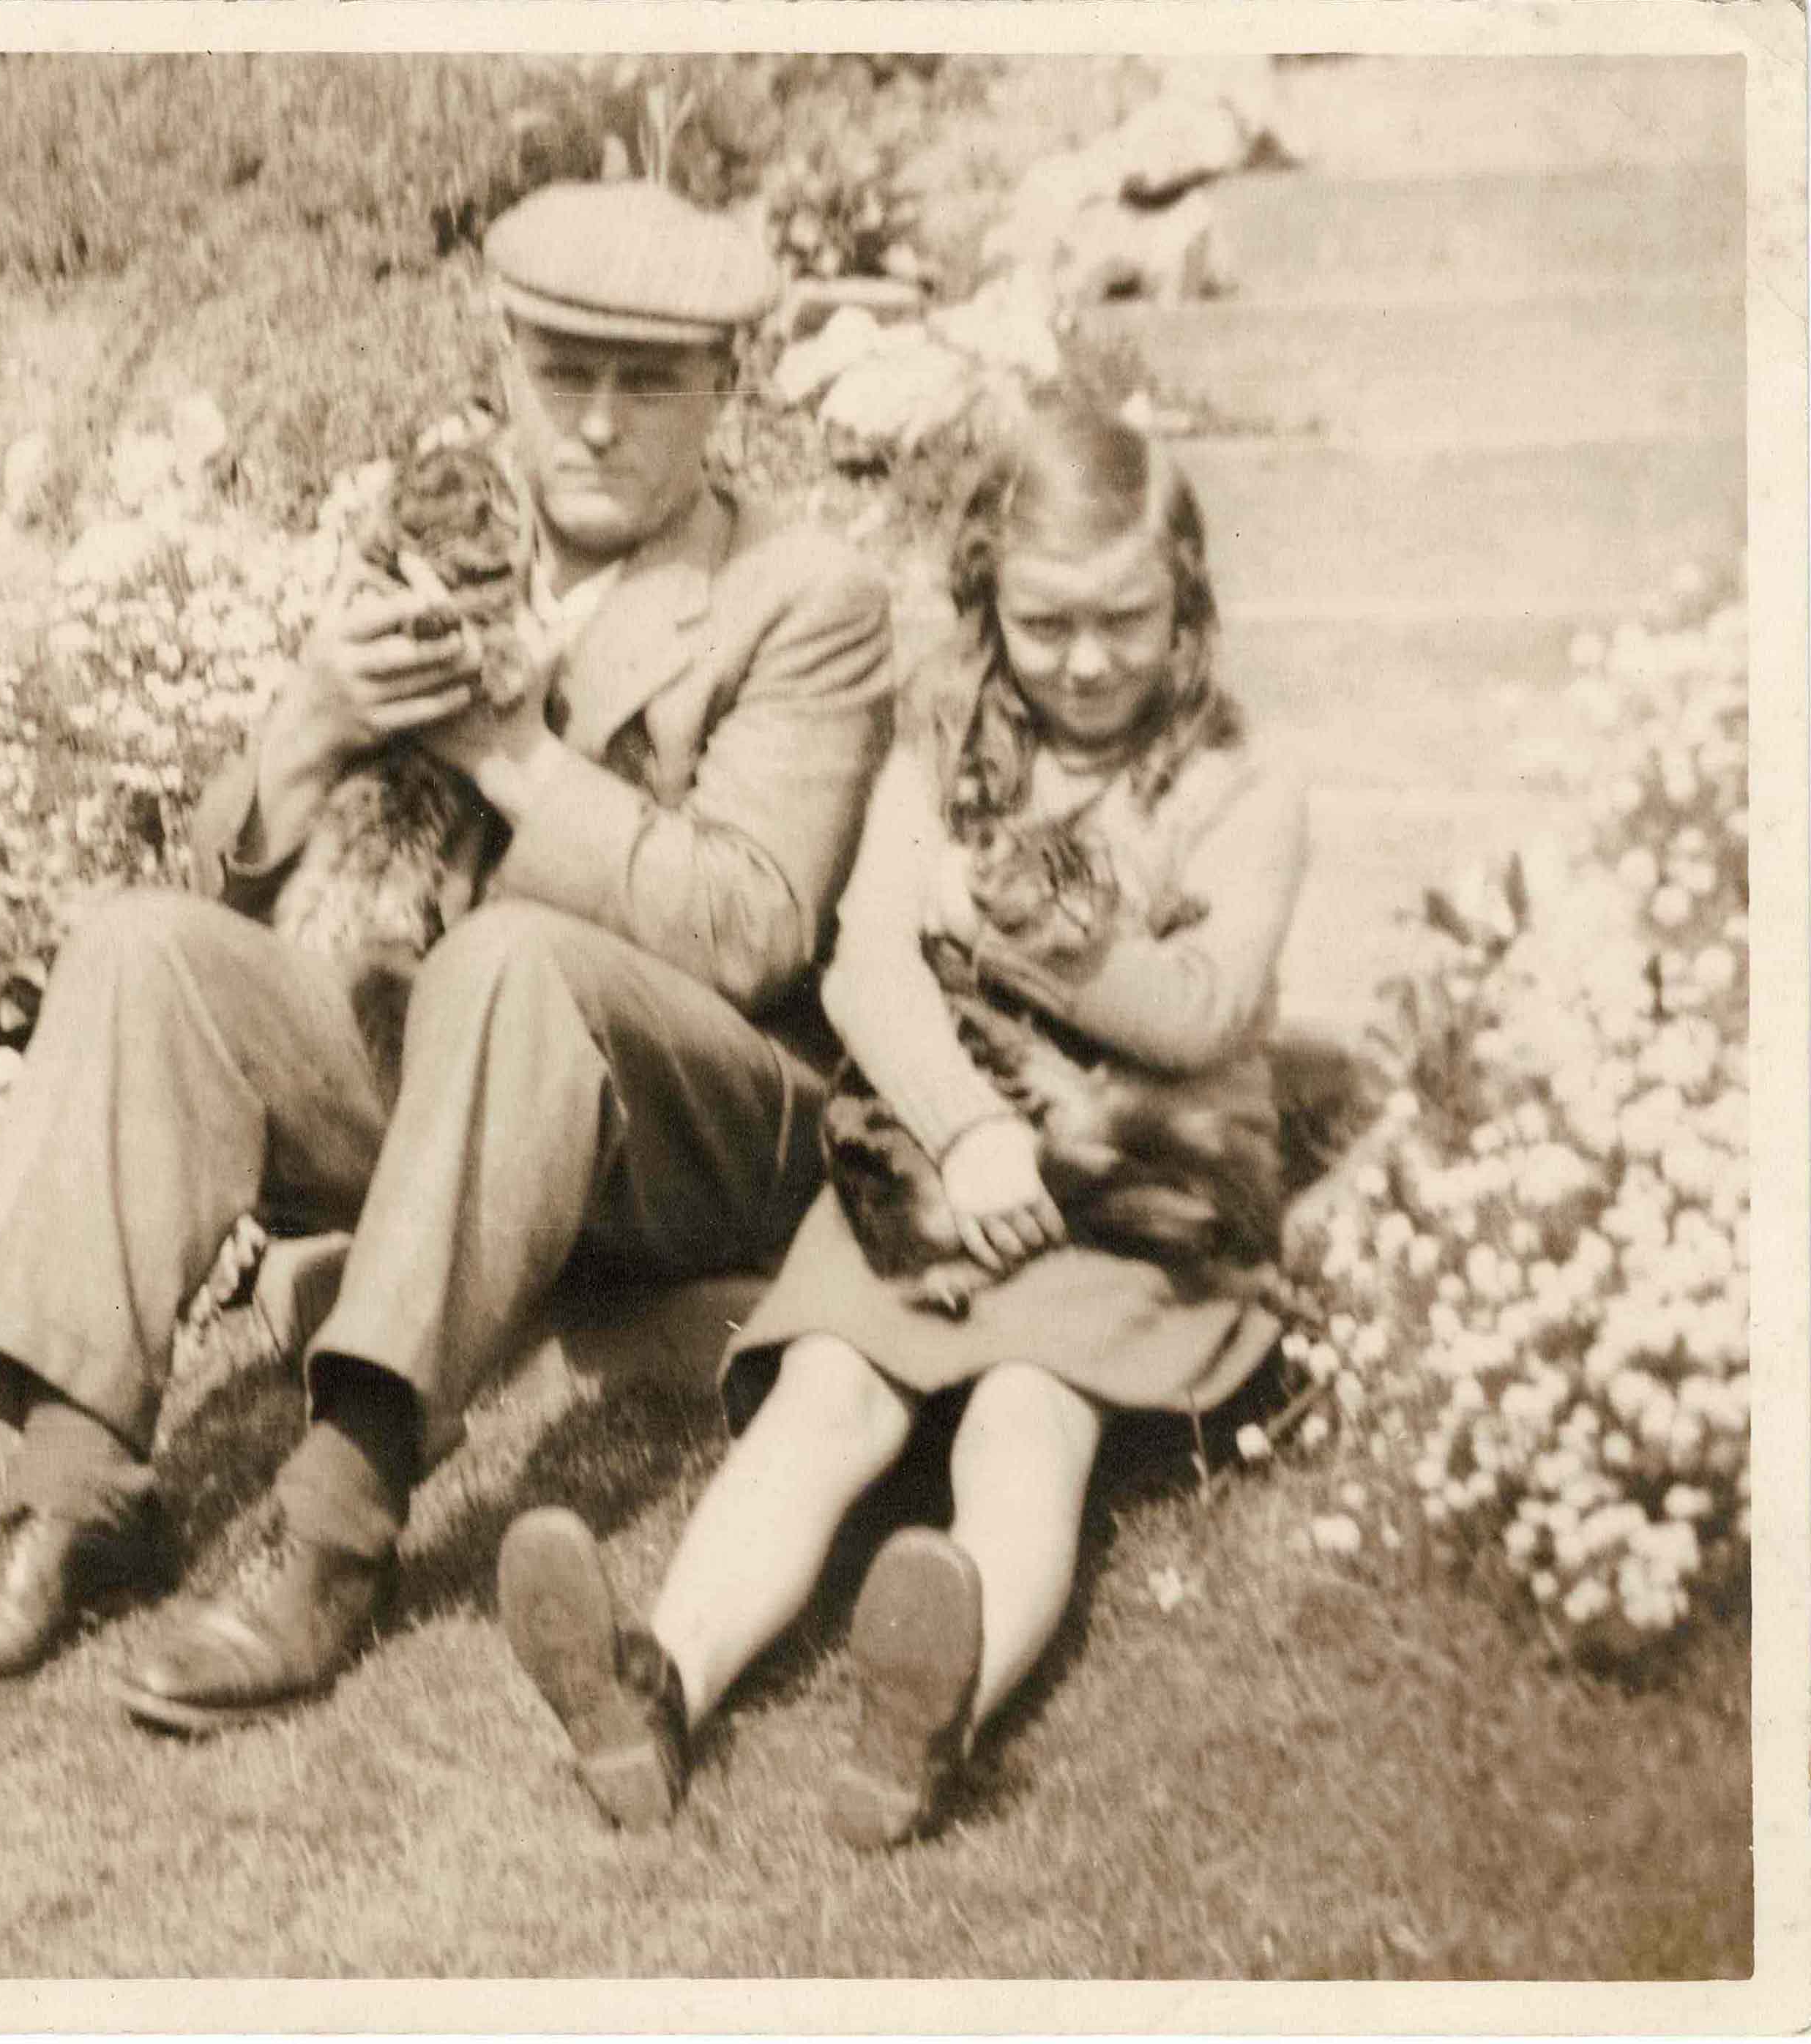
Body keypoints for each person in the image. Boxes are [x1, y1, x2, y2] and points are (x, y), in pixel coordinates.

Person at [0, 180, 899, 1732]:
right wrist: (309, 725)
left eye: (650, 382)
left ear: (724, 388)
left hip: (699, 1129)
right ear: (501, 362)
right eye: (564, 375)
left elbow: (750, 930)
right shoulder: (427, 536)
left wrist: (508, 755)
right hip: (456, 1095)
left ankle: (336, 1531)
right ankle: (78, 1498)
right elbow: (218, 885)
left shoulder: (798, 596)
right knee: (138, 944)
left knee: (509, 959)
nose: (600, 425)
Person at [493, 394, 1310, 1846]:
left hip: (1133, 1182)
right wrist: (958, 1129)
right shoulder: (936, 747)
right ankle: (654, 1680)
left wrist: (1004, 935)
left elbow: (1193, 1010)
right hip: (930, 1169)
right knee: (823, 1396)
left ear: (1183, 605)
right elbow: (867, 958)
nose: (1084, 660)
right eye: (1043, 623)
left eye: (1123, 620)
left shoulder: (1238, 785)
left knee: (1022, 1417)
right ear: (987, 603)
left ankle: (929, 1710)